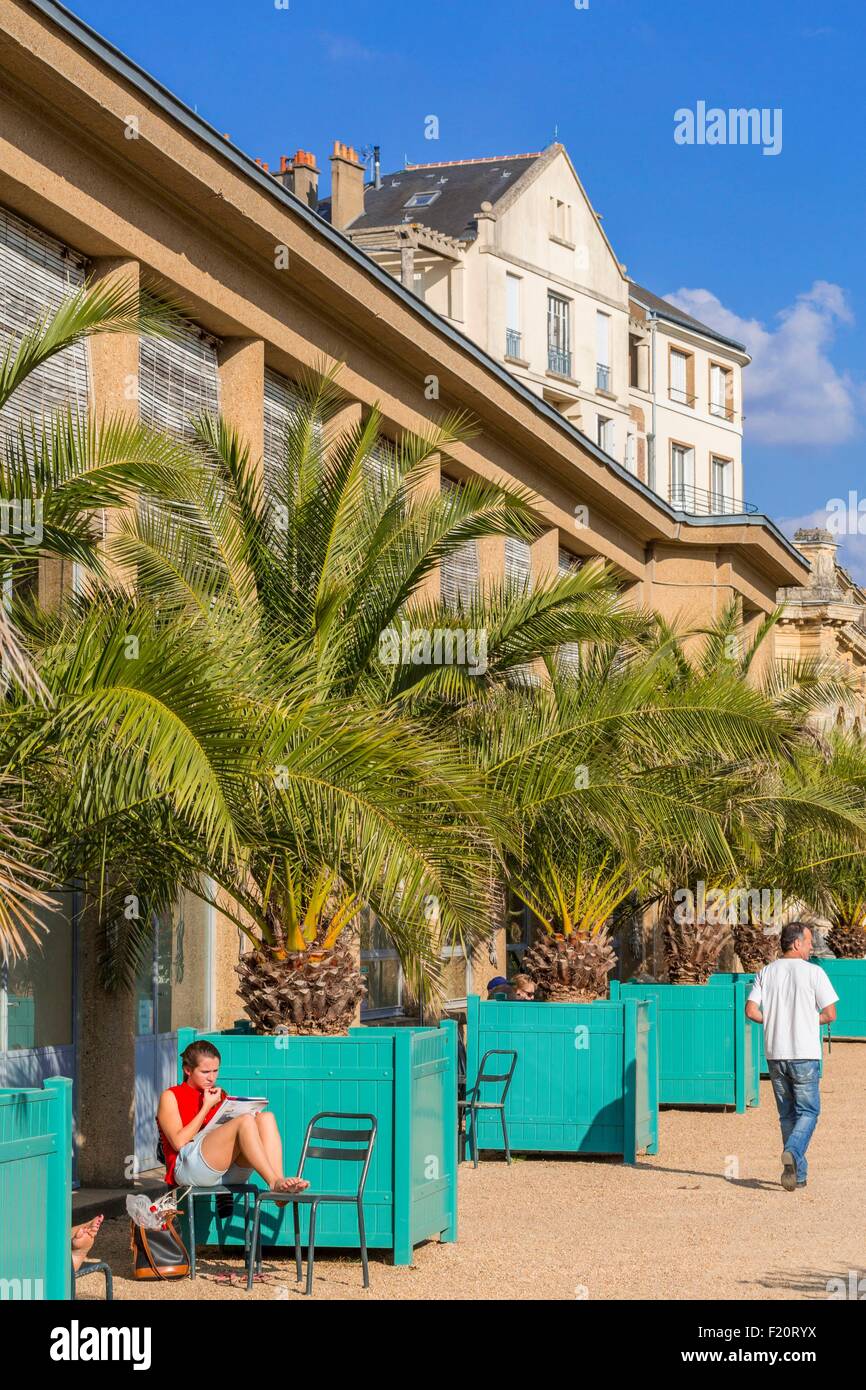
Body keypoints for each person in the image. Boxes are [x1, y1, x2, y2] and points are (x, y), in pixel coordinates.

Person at [745, 923, 838, 1191]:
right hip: (804, 1053)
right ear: (797, 943)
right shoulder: (814, 973)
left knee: (787, 1114)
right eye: (809, 942)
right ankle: (794, 1151)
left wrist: (774, 1021)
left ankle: (797, 1174)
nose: (811, 947)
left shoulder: (766, 972)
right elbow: (830, 1014)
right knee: (809, 1111)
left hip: (775, 1054)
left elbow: (751, 1010)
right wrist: (807, 1021)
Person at [156, 1040, 308, 1196]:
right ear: (188, 1070)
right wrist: (206, 1107)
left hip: (225, 1169)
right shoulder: (171, 1096)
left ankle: (279, 1189)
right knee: (245, 1121)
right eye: (205, 1072)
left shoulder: (219, 1095)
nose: (211, 1078)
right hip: (187, 1169)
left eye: (215, 1071)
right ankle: (273, 1183)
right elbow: (178, 1143)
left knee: (266, 1118)